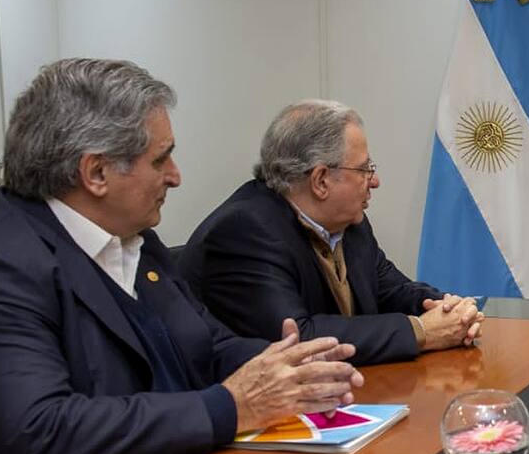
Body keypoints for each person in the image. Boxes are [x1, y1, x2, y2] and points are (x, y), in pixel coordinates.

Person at [0, 59, 362, 454]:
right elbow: (36, 433)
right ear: (96, 173)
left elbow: (206, 345)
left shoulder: (134, 237)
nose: (176, 176)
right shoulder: (0, 259)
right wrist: (230, 408)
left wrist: (292, 368)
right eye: (161, 159)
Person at [181, 100, 481, 365]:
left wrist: (448, 308)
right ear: (321, 180)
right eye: (364, 170)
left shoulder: (349, 224)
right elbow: (298, 339)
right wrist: (422, 331)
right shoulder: (244, 232)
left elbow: (391, 289)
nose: (374, 181)